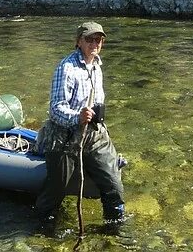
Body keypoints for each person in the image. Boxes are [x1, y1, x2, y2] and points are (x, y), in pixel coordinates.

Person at [35, 21, 126, 225]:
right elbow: (56, 109)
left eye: (99, 39)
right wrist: (77, 116)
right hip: (65, 136)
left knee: (114, 186)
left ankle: (114, 230)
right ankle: (43, 228)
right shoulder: (66, 68)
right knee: (56, 189)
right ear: (78, 42)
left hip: (94, 134)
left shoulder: (97, 67)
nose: (95, 43)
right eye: (89, 39)